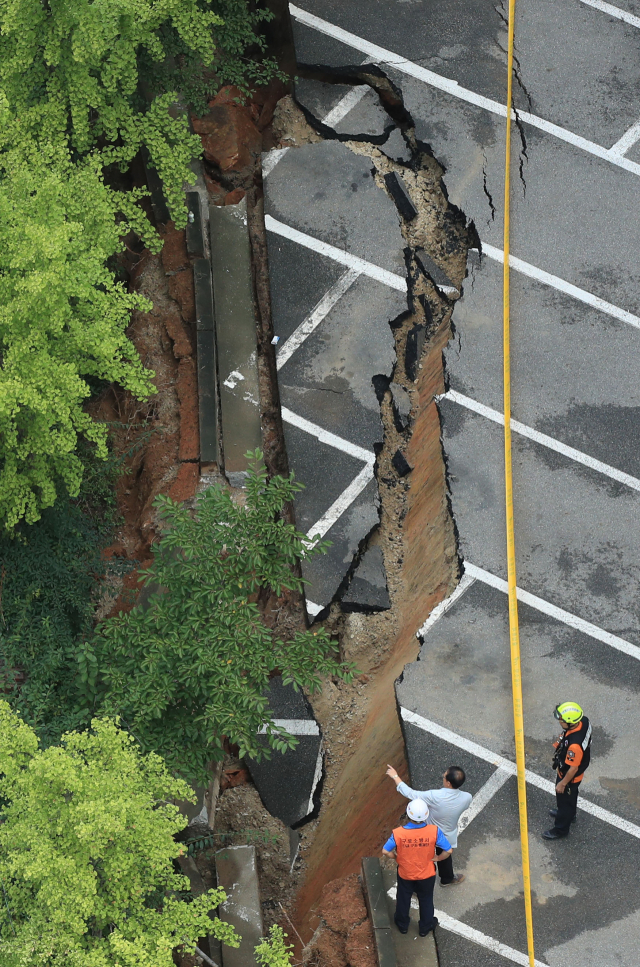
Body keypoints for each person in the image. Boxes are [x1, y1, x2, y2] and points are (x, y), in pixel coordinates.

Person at [386, 764, 471, 885]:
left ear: (448, 783)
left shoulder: (434, 796)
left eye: (445, 775)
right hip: (448, 834)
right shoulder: (467, 797)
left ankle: (416, 882)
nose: (443, 775)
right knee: (445, 857)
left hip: (429, 833)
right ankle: (447, 879)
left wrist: (395, 776)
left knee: (421, 857)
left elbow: (410, 793)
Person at [382, 799, 452, 937]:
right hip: (427, 874)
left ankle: (402, 925)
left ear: (408, 814)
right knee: (426, 899)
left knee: (403, 898)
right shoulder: (434, 831)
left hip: (405, 873)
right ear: (426, 815)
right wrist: (438, 858)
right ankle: (425, 927)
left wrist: (396, 857)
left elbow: (385, 851)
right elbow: (448, 851)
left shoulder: (398, 833)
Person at [542, 701, 592, 840]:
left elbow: (573, 768)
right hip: (577, 769)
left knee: (565, 801)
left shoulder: (574, 746)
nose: (559, 721)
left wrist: (563, 783)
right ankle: (571, 815)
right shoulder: (584, 721)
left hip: (569, 776)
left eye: (562, 720)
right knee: (570, 798)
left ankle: (561, 829)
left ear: (571, 722)